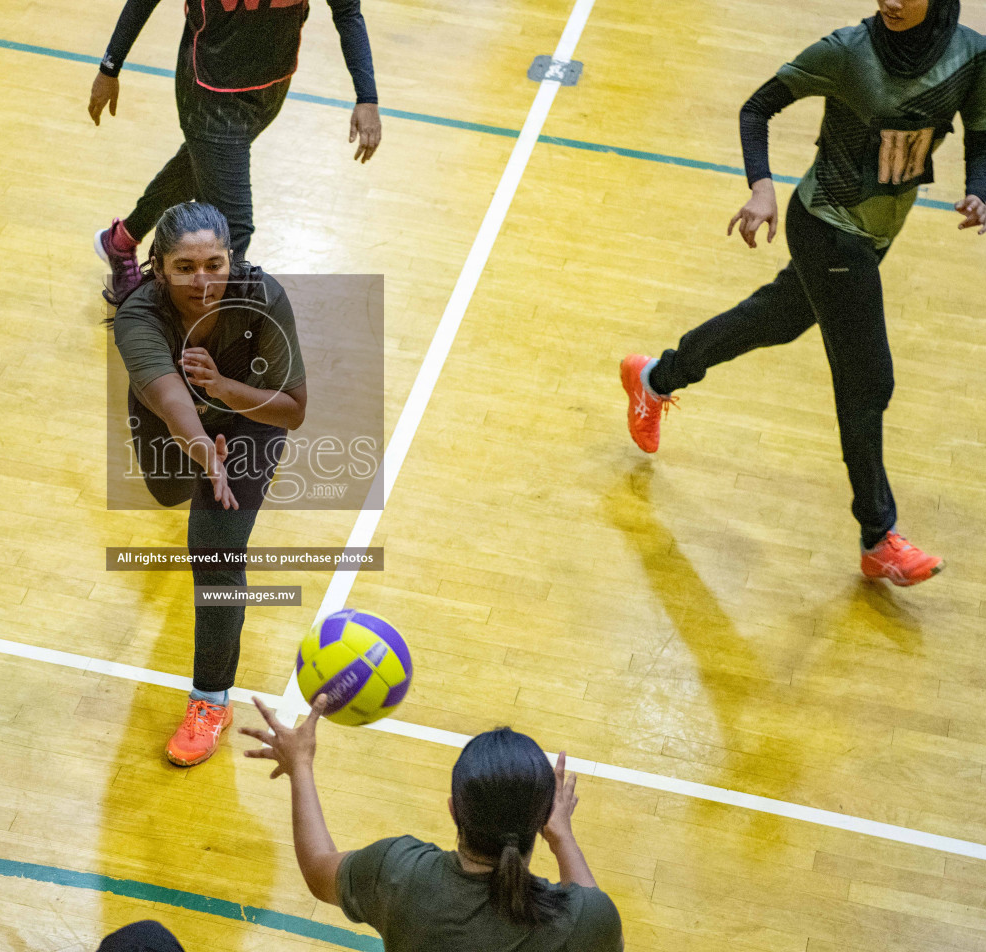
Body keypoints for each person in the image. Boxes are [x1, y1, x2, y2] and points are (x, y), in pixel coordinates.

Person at [621, 0, 986, 587]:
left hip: (878, 233)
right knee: (868, 381)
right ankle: (878, 537)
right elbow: (757, 108)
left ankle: (655, 376)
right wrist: (763, 188)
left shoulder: (969, 57)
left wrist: (977, 192)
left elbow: (985, 139)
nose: (891, 0)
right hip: (827, 226)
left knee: (775, 320)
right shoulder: (848, 51)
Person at [111, 202, 307, 767]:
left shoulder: (263, 298)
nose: (202, 280)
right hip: (171, 420)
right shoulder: (138, 315)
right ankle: (202, 467)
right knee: (169, 492)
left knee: (216, 547)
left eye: (215, 264)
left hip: (250, 420)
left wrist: (222, 388)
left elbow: (292, 411)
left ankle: (210, 701)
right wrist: (201, 450)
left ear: (232, 259)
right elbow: (171, 399)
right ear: (158, 267)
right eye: (185, 267)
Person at [88, 0, 381, 305]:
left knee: (194, 169)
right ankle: (195, 339)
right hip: (209, 93)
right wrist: (110, 68)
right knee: (234, 229)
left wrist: (367, 96)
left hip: (269, 90)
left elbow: (346, 7)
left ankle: (121, 241)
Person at [243, 696, 623, 951]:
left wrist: (301, 766)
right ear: (542, 821)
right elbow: (591, 907)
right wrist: (563, 839)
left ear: (453, 810)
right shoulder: (585, 921)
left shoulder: (398, 872)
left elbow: (316, 867)